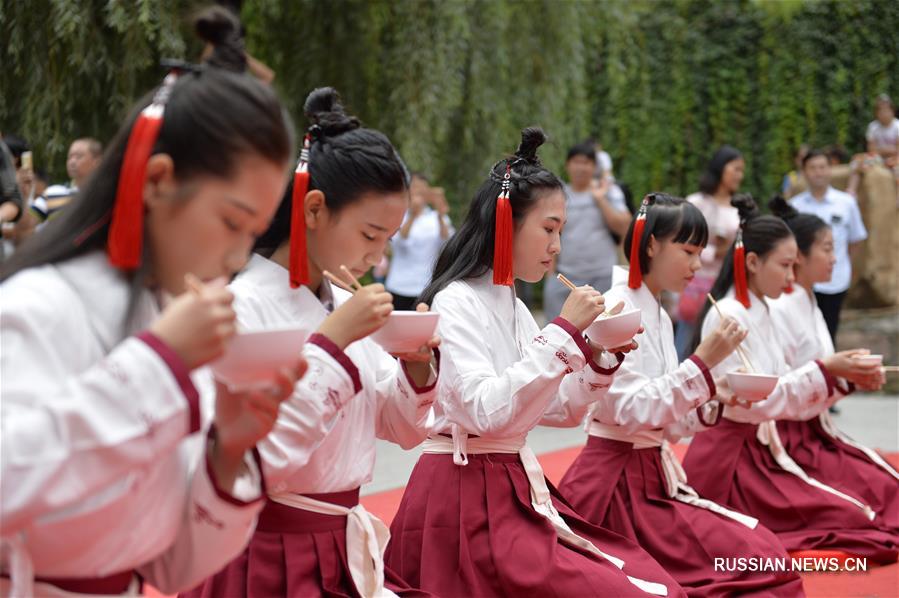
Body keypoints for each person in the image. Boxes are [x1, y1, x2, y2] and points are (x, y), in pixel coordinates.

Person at [0, 15, 305, 595]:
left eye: (256, 232)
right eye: (232, 222)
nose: (240, 254)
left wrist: (227, 452)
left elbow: (168, 566)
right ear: (159, 180)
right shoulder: (39, 304)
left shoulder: (163, 316)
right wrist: (158, 363)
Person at [386, 128, 682, 598]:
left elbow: (558, 411)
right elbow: (487, 412)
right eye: (548, 229)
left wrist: (599, 360)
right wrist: (564, 334)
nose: (557, 246)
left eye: (560, 231)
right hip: (465, 500)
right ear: (506, 223)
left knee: (651, 582)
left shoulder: (514, 305)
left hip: (511, 486)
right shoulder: (456, 300)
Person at [182, 87, 438, 598]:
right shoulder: (241, 305)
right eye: (369, 235)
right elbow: (256, 459)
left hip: (343, 539)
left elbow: (399, 429)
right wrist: (333, 344)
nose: (378, 256)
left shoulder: (342, 301)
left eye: (388, 240)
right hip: (268, 551)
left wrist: (417, 369)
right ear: (314, 209)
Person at [559, 193, 803, 596]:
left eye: (701, 253)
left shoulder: (656, 309)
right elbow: (628, 410)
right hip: (617, 487)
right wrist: (702, 366)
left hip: (653, 476)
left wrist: (715, 395)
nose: (697, 265)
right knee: (757, 561)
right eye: (688, 251)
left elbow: (667, 424)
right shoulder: (619, 306)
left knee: (763, 554)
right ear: (652, 244)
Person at [683, 195, 897, 564]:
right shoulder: (730, 315)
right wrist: (829, 371)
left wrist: (841, 375)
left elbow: (775, 386)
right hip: (735, 459)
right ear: (752, 262)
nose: (790, 276)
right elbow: (759, 397)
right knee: (859, 519)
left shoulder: (761, 306)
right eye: (785, 265)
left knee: (869, 508)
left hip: (765, 444)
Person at [769, 197, 898, 539]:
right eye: (827, 249)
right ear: (799, 255)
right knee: (869, 509)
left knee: (888, 485)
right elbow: (775, 390)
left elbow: (820, 374)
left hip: (817, 430)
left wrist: (851, 376)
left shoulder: (808, 299)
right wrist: (831, 370)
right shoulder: (781, 307)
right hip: (790, 439)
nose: (835, 258)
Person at [543, 140, 630, 321]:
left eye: (586, 162)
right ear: (568, 165)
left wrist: (600, 200)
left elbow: (625, 226)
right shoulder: (559, 195)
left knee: (602, 332)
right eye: (576, 162)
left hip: (602, 278)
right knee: (559, 330)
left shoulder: (609, 191)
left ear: (594, 166)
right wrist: (550, 275)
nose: (581, 168)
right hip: (565, 279)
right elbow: (551, 234)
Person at [789, 149, 867, 343]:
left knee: (829, 332)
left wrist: (838, 263)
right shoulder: (794, 207)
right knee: (801, 332)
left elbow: (855, 240)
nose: (818, 172)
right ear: (804, 171)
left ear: (830, 170)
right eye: (813, 168)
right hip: (802, 281)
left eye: (822, 167)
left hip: (836, 279)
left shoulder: (846, 203)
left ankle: (827, 370)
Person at [674, 146, 744, 360]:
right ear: (721, 168)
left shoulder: (739, 208)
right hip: (694, 280)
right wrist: (715, 251)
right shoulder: (697, 202)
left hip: (724, 282)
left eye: (742, 171)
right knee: (685, 340)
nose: (739, 175)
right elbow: (679, 243)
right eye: (736, 169)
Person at [385, 172, 454, 310]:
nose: (418, 193)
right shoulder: (398, 215)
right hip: (398, 286)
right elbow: (398, 241)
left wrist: (441, 215)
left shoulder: (436, 217)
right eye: (414, 188)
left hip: (425, 287)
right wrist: (412, 215)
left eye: (422, 188)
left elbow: (447, 242)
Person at [31, 138, 102, 222]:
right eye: (70, 157)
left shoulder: (108, 195)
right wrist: (24, 193)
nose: (72, 162)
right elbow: (25, 227)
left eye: (78, 156)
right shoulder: (53, 193)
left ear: (97, 162)